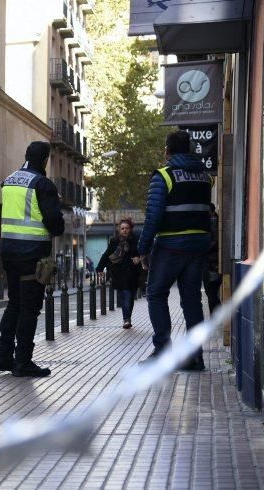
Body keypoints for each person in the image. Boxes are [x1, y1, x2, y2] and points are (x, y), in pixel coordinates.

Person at [137, 130, 212, 371]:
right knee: (191, 300)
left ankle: (163, 351)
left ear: (167, 151)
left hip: (171, 245)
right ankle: (195, 356)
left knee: (156, 294)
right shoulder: (204, 177)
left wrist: (143, 249)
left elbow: (153, 216)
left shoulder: (164, 176)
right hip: (199, 245)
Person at [0, 141, 64, 377]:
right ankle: (22, 361)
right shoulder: (42, 184)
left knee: (14, 304)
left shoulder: (9, 180)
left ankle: (3, 356)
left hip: (8, 252)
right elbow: (55, 224)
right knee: (29, 309)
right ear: (45, 161)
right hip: (32, 255)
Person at [96, 219, 141, 329]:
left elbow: (144, 252)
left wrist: (139, 259)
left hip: (133, 274)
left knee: (130, 298)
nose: (124, 230)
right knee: (125, 295)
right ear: (119, 230)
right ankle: (126, 319)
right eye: (122, 228)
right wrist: (99, 268)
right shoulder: (114, 241)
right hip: (118, 274)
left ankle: (127, 317)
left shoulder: (136, 240)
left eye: (127, 228)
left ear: (130, 229)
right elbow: (106, 255)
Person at [202, 203, 221, 315]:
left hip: (211, 264)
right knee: (211, 293)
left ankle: (216, 317)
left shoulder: (213, 221)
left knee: (211, 293)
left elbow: (213, 242)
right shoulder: (214, 220)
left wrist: (202, 249)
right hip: (212, 263)